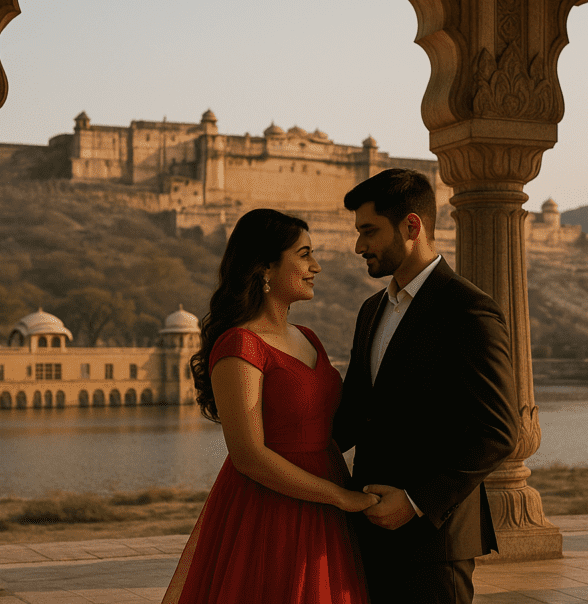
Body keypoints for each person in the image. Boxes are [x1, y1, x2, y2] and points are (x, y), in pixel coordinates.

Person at [162, 208, 377, 604]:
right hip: (272, 506)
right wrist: (340, 497)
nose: (316, 266)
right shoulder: (240, 345)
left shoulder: (308, 338)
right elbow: (248, 456)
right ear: (264, 267)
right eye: (304, 254)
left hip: (326, 500)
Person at [333, 169, 519, 604]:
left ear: (411, 226)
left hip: (436, 541)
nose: (359, 246)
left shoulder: (469, 310)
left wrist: (416, 501)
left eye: (369, 231)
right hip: (369, 533)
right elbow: (357, 414)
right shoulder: (370, 310)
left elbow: (497, 434)